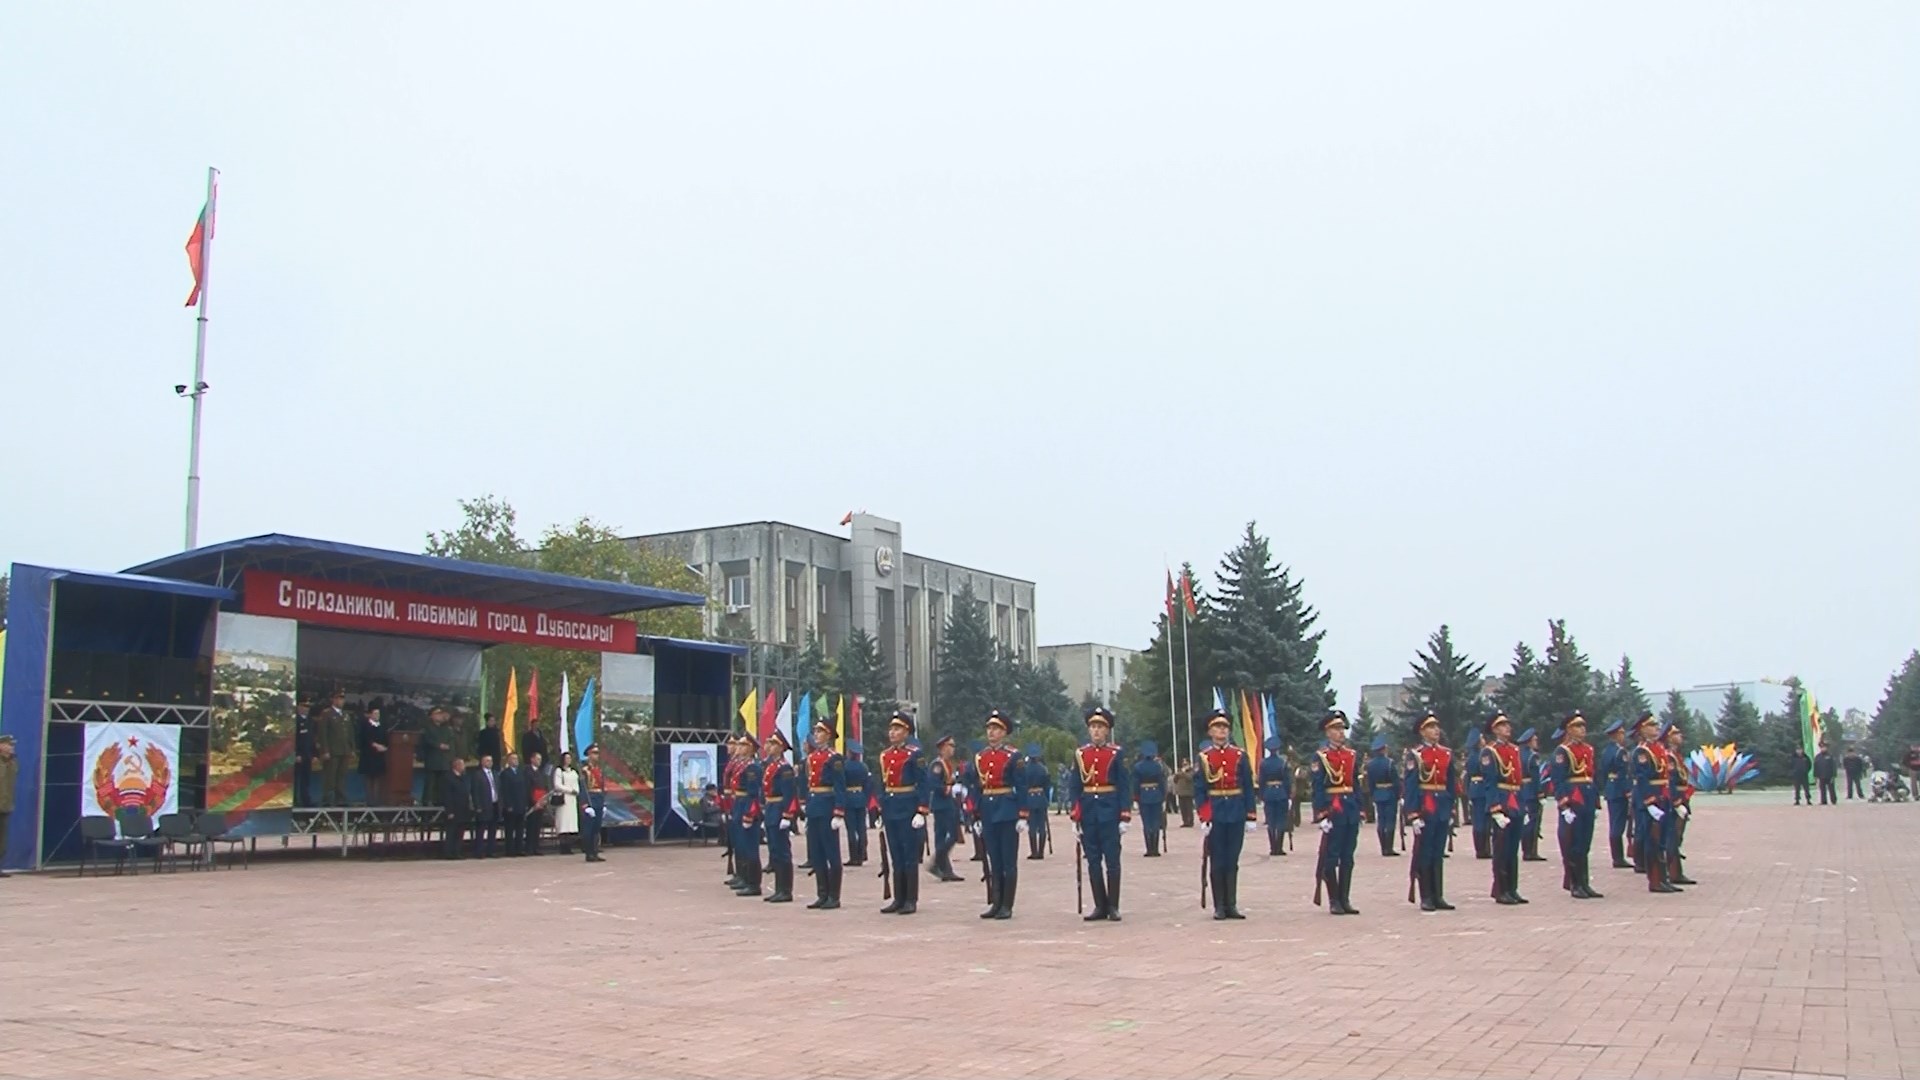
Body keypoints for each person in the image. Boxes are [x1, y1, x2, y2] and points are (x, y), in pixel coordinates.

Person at [1066, 706, 1131, 922]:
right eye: (1093, 727)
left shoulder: (1115, 753)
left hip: (1109, 809)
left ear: (1107, 731)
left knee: (1112, 860)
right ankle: (1099, 905)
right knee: (1092, 860)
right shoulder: (1080, 754)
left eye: (1100, 727)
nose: (1095, 731)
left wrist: (1124, 815)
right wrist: (1075, 814)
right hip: (1088, 811)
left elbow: (1124, 785)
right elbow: (1075, 785)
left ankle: (1113, 905)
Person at [1195, 709, 1255, 920]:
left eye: (1224, 727)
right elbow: (1200, 789)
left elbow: (1247, 786)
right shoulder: (1204, 758)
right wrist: (1204, 817)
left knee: (1232, 860)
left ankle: (1232, 904)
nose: (1222, 731)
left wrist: (1250, 815)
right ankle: (1219, 905)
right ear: (1210, 732)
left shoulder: (1239, 756)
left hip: (1236, 810)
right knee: (1217, 860)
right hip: (1216, 811)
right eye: (1217, 727)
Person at [968, 710, 1027, 920]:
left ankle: (1007, 905)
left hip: (1007, 809)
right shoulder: (980, 757)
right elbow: (976, 786)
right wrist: (975, 814)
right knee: (994, 860)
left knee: (1008, 860)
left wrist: (1022, 814)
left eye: (996, 729)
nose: (991, 733)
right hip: (988, 809)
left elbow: (1021, 785)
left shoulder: (1013, 756)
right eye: (989, 729)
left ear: (1004, 732)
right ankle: (996, 901)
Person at [875, 712, 931, 915]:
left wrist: (921, 810)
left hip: (908, 807)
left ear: (906, 732)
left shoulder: (914, 754)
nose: (892, 732)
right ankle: (898, 898)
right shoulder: (885, 755)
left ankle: (910, 899)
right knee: (895, 855)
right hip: (891, 807)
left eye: (897, 729)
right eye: (891, 729)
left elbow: (924, 783)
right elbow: (882, 784)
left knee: (909, 855)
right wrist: (879, 809)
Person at [1401, 712, 1457, 912]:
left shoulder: (1446, 753)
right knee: (1424, 852)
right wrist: (1413, 814)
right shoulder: (1415, 755)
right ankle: (1425, 895)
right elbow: (1411, 786)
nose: (1436, 730)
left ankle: (1437, 895)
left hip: (1441, 805)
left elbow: (1450, 784)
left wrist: (1451, 810)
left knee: (1437, 853)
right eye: (1431, 727)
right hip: (1425, 806)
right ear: (1422, 731)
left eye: (1437, 726)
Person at [1311, 710, 1363, 916]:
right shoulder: (1321, 757)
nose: (1340, 733)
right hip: (1333, 809)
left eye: (1342, 728)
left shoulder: (1351, 755)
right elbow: (1317, 787)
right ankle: (1334, 899)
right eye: (1336, 729)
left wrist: (1360, 808)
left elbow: (1356, 784)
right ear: (1327, 732)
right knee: (1331, 855)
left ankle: (1345, 898)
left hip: (1349, 808)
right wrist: (1322, 814)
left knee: (1348, 856)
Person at [1550, 712, 1603, 900]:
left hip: (1587, 797)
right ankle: (1575, 883)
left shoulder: (1588, 749)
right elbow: (1557, 780)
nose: (1582, 730)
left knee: (1584, 843)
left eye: (1583, 726)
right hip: (1574, 798)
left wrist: (1595, 802)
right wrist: (1564, 806)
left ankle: (1584, 882)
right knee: (1573, 843)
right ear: (1569, 730)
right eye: (1578, 726)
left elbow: (1591, 775)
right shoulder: (1562, 752)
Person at [1480, 711, 1528, 905]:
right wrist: (1495, 808)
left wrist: (1523, 806)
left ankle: (1512, 888)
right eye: (1502, 725)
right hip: (1501, 800)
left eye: (1508, 724)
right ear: (1495, 729)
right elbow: (1490, 783)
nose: (1508, 728)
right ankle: (1500, 889)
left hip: (1515, 799)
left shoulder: (1514, 750)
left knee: (1512, 848)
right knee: (1501, 848)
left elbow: (1518, 780)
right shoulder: (1490, 752)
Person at [1629, 714, 1680, 893]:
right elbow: (1641, 779)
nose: (1656, 728)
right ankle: (1655, 880)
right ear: (1642, 730)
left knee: (1662, 841)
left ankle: (1663, 878)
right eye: (1651, 725)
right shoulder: (1642, 752)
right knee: (1653, 839)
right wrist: (1649, 803)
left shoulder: (1658, 748)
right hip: (1651, 799)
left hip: (1662, 796)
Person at [802, 719, 848, 910]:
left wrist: (838, 812)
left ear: (829, 735)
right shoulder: (812, 758)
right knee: (817, 852)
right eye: (815, 731)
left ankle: (834, 896)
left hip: (828, 805)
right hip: (814, 805)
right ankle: (822, 893)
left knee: (831, 853)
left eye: (820, 732)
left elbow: (840, 785)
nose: (816, 735)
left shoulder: (834, 758)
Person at [760, 730, 799, 903]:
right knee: (774, 850)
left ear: (781, 747)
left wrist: (787, 815)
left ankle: (786, 890)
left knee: (783, 852)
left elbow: (789, 794)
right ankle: (778, 888)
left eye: (774, 743)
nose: (769, 746)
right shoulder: (772, 766)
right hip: (771, 808)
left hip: (779, 808)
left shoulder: (784, 768)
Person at [729, 733, 767, 897]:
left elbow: (754, 793)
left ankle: (754, 883)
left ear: (751, 748)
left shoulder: (753, 767)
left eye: (743, 745)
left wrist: (750, 813)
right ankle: (744, 878)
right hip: (739, 803)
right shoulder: (741, 765)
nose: (739, 747)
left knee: (750, 847)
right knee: (741, 845)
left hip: (747, 805)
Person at [927, 734, 965, 881]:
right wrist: (946, 789)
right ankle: (939, 864)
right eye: (951, 745)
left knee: (948, 836)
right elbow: (933, 783)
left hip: (949, 803)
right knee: (945, 835)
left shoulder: (948, 763)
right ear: (943, 748)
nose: (953, 749)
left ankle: (943, 866)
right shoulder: (937, 765)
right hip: (941, 803)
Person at [1665, 723, 1697, 886]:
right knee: (1672, 837)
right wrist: (1677, 802)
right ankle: (1673, 872)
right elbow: (1670, 782)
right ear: (1669, 738)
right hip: (1675, 800)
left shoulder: (1676, 756)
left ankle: (1675, 870)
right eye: (1676, 733)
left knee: (1677, 837)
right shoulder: (1669, 757)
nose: (1680, 736)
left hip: (1683, 797)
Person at [1599, 719, 1633, 869]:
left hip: (1611, 788)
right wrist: (1628, 791)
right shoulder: (1620, 751)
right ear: (1616, 735)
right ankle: (1618, 858)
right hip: (1620, 790)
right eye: (1621, 733)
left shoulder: (1607, 751)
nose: (1623, 736)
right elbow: (1624, 773)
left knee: (1614, 822)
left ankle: (1617, 856)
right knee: (1618, 825)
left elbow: (1604, 770)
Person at [314, 690, 354, 807]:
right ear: (334, 700)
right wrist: (325, 750)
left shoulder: (345, 715)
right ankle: (328, 799)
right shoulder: (327, 713)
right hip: (332, 751)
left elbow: (350, 733)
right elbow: (323, 733)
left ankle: (340, 798)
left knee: (341, 775)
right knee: (330, 776)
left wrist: (351, 748)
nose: (341, 701)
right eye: (339, 698)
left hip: (344, 750)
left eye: (342, 699)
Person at [1365, 734, 1399, 857]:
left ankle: (1383, 847)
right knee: (1390, 820)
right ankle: (1389, 848)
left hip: (1378, 794)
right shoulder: (1390, 763)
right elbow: (1395, 781)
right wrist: (1398, 794)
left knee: (1381, 821)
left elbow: (1370, 782)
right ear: (1384, 749)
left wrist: (1374, 794)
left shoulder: (1370, 764)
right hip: (1389, 793)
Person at [1132, 741, 1168, 857]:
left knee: (1146, 823)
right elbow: (1162, 782)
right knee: (1156, 823)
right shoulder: (1158, 766)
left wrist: (1136, 797)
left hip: (1143, 795)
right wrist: (1163, 796)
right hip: (1156, 794)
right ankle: (1155, 849)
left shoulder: (1138, 767)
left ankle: (1149, 849)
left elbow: (1135, 784)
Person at [1259, 737, 1291, 857]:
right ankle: (1279, 847)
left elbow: (1261, 781)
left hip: (1268, 793)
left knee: (1271, 821)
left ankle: (1273, 848)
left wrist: (1262, 795)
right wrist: (1288, 795)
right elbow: (1287, 780)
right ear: (1277, 749)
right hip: (1281, 793)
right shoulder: (1283, 762)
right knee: (1281, 821)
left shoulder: (1263, 763)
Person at [1518, 728, 1546, 863]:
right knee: (1533, 822)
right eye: (1534, 740)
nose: (1536, 742)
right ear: (1529, 742)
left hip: (1521, 790)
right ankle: (1531, 851)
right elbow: (1536, 777)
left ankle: (1526, 850)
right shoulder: (1532, 756)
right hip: (1531, 791)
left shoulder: (1518, 754)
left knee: (1526, 821)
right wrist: (1540, 793)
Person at [843, 742, 872, 868]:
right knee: (861, 828)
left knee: (851, 829)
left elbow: (841, 784)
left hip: (848, 798)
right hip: (860, 797)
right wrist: (865, 797)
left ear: (849, 752)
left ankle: (854, 856)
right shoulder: (863, 767)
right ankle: (862, 854)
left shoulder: (844, 766)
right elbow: (868, 785)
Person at [1022, 744, 1052, 860]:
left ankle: (1034, 852)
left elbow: (1023, 785)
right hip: (1041, 798)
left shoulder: (1025, 769)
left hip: (1030, 797)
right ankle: (1041, 852)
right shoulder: (1043, 769)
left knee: (1032, 826)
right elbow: (1047, 785)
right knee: (1042, 826)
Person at [422, 708, 456, 808]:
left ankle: (440, 801)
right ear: (431, 716)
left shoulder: (445, 728)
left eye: (441, 713)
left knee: (441, 784)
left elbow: (450, 741)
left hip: (443, 761)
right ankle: (427, 802)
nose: (440, 715)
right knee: (430, 783)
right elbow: (427, 741)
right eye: (438, 713)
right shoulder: (427, 728)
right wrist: (438, 745)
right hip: (432, 760)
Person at [440, 757, 474, 858]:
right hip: (453, 810)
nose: (464, 767)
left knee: (460, 833)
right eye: (462, 765)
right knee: (451, 832)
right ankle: (448, 852)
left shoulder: (463, 777)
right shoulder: (448, 778)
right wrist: (449, 811)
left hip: (463, 810)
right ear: (457, 765)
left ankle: (457, 852)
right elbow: (447, 796)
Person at [469, 753, 501, 858]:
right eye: (487, 761)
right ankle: (479, 851)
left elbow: (498, 789)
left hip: (494, 804)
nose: (490, 763)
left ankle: (491, 850)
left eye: (491, 761)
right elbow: (475, 792)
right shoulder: (477, 775)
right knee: (481, 829)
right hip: (483, 805)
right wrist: (477, 806)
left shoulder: (495, 774)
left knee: (493, 829)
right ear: (482, 762)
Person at [1465, 729, 1491, 860]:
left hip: (1474, 789)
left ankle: (1481, 848)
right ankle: (1483, 849)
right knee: (1483, 821)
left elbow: (1467, 776)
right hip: (1483, 788)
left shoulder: (1470, 757)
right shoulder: (1483, 755)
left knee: (1478, 821)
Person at [498, 751, 530, 856]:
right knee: (510, 829)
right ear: (509, 761)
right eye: (513, 759)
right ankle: (510, 850)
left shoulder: (521, 772)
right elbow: (505, 790)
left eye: (516, 759)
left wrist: (525, 803)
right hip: (511, 805)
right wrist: (508, 805)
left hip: (520, 804)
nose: (515, 761)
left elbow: (525, 789)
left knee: (520, 829)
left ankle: (519, 849)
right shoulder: (505, 773)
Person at [356, 706, 390, 806]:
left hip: (379, 757)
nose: (377, 716)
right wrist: (374, 745)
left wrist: (385, 747)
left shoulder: (382, 726)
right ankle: (369, 801)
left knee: (377, 778)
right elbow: (363, 739)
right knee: (369, 779)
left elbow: (386, 740)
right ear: (370, 714)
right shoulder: (365, 725)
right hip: (368, 756)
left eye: (378, 714)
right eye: (375, 713)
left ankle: (376, 801)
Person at [551, 750, 581, 854]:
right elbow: (557, 785)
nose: (568, 760)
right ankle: (563, 846)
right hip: (563, 799)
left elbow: (577, 783)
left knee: (571, 823)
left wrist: (576, 791)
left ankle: (569, 845)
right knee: (563, 822)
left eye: (569, 758)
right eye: (566, 758)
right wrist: (569, 790)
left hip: (572, 800)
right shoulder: (559, 771)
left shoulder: (573, 771)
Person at [524, 751, 550, 855]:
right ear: (532, 759)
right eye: (537, 759)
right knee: (531, 826)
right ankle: (529, 848)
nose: (539, 761)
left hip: (540, 802)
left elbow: (544, 787)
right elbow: (528, 787)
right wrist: (533, 800)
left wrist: (545, 799)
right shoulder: (527, 772)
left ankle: (536, 847)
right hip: (532, 803)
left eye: (540, 759)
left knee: (538, 826)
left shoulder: (541, 772)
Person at [292, 699, 315, 807]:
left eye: (307, 707)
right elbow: (293, 739)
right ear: (298, 707)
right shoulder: (295, 721)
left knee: (306, 779)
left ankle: (305, 799)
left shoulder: (310, 721)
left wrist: (314, 754)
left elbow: (312, 739)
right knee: (296, 779)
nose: (306, 709)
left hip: (308, 754)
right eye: (304, 706)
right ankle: (294, 799)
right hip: (298, 755)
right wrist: (296, 754)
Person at [0, 734, 17, 873]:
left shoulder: (12, 762)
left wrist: (9, 760)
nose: (12, 747)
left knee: (2, 840)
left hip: (5, 805)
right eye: (9, 745)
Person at [1173, 758, 1196, 828]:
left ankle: (1190, 822)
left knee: (1189, 808)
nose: (1184, 765)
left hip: (1188, 792)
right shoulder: (1180, 771)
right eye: (1183, 764)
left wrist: (1184, 772)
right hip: (1181, 792)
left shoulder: (1192, 771)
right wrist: (1178, 774)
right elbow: (1175, 780)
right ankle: (1185, 821)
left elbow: (1190, 778)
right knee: (1183, 808)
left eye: (1186, 764)